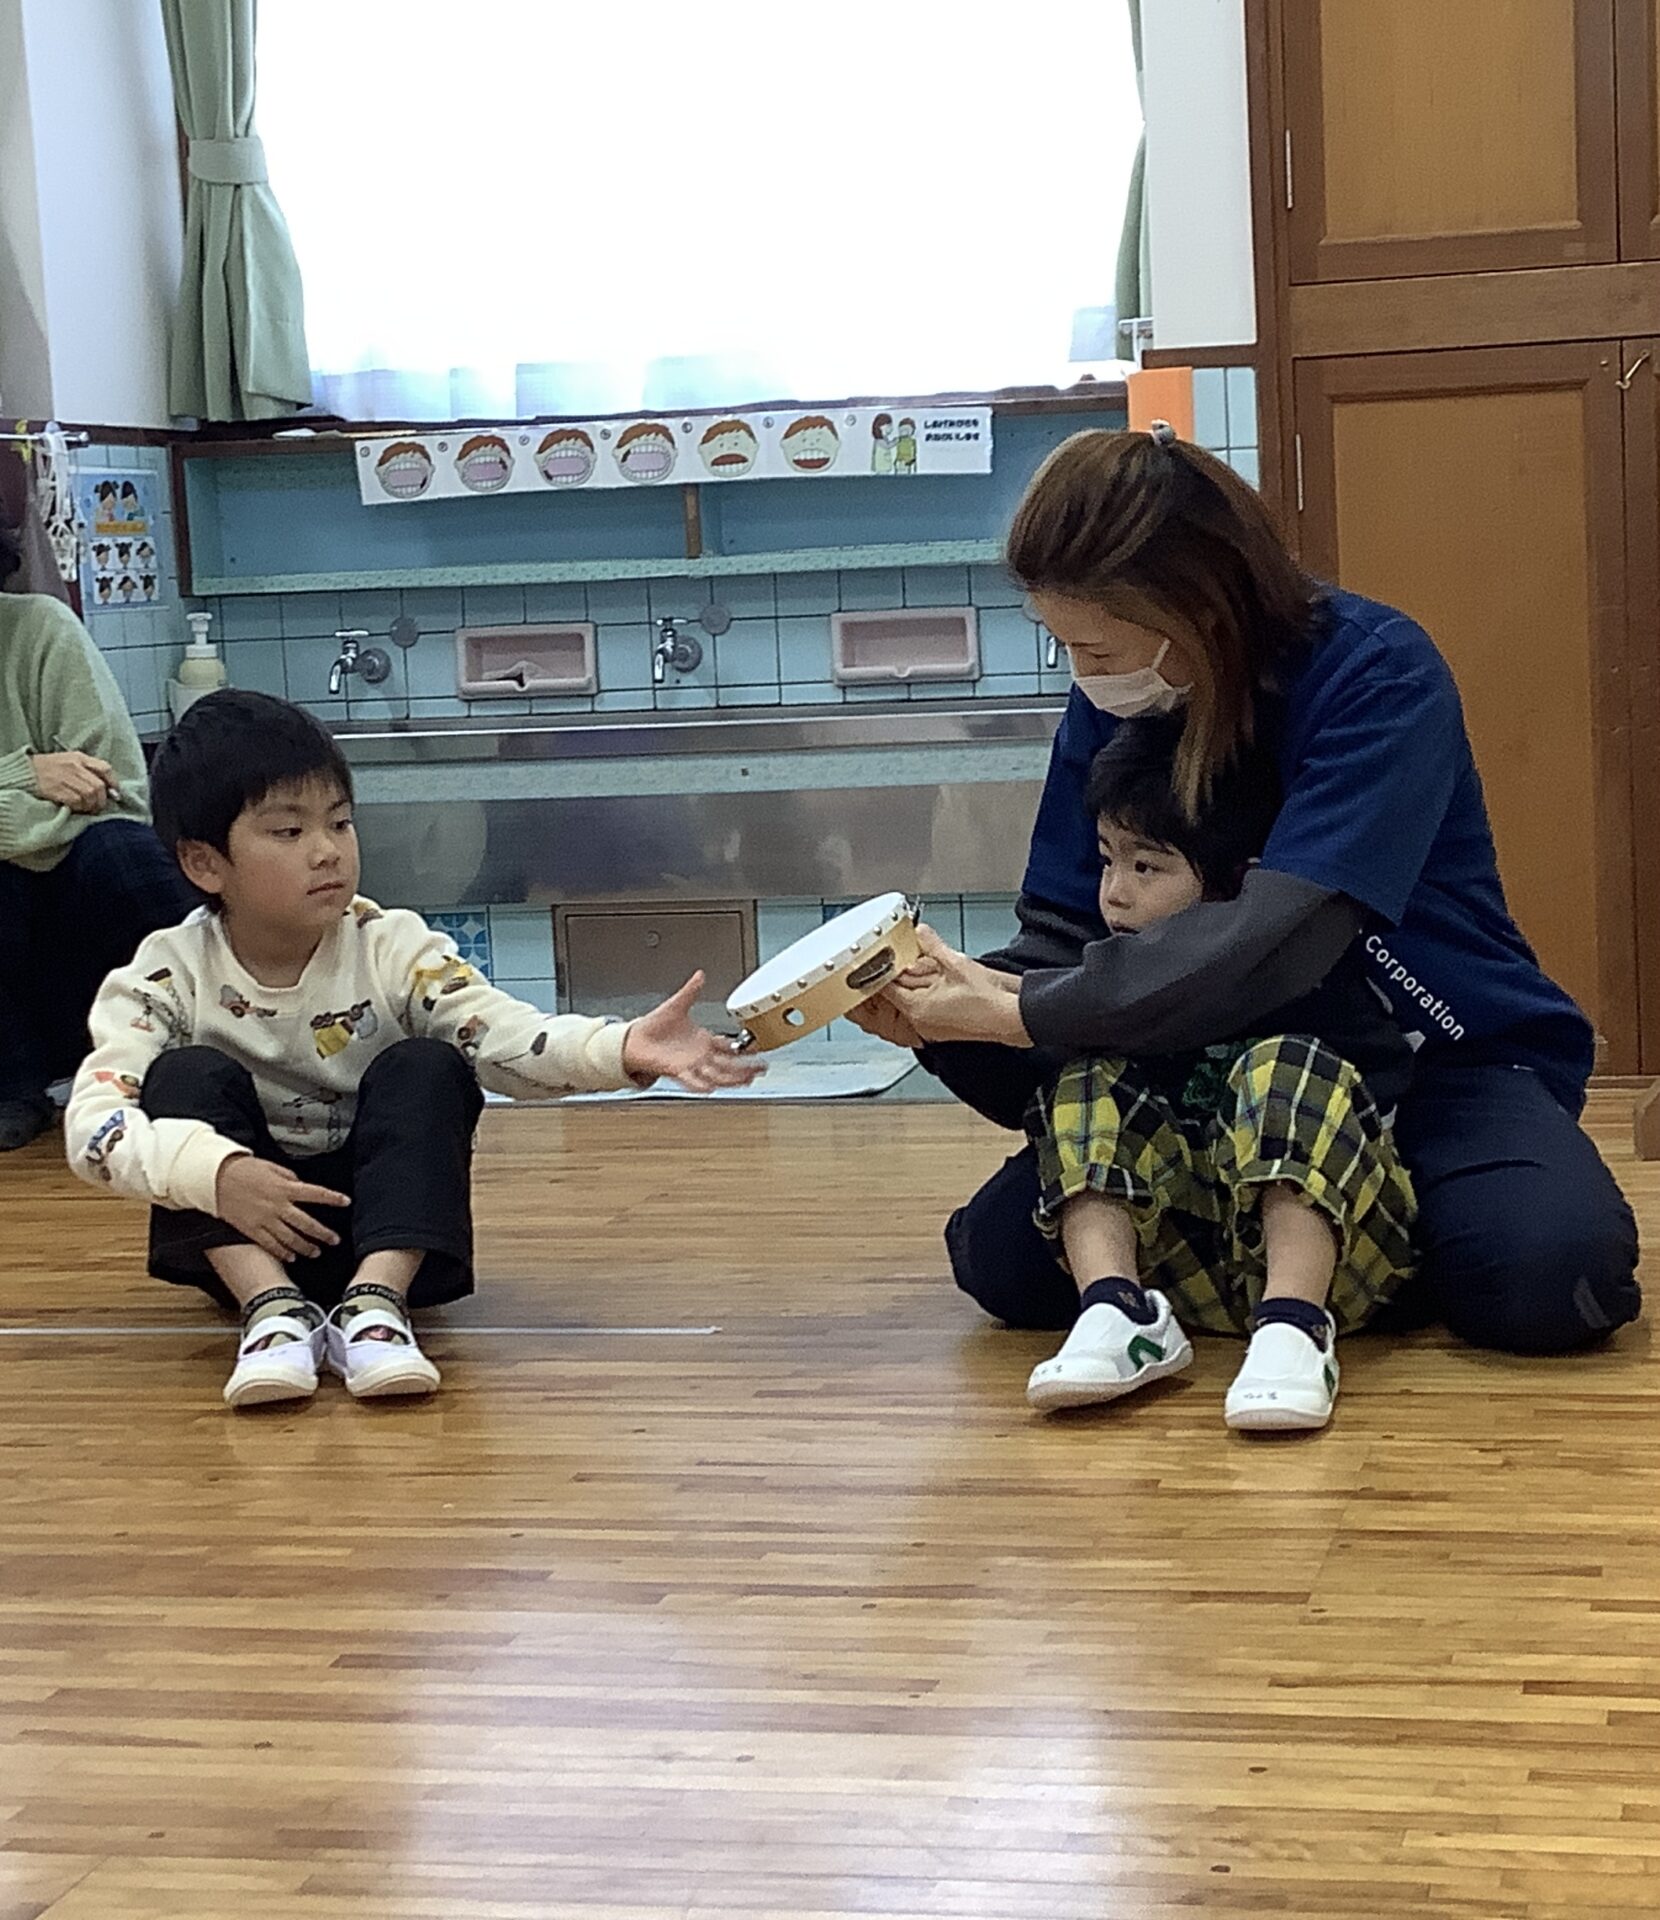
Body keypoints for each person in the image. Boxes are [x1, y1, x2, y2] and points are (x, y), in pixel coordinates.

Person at [856, 425, 1640, 1357]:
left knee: (1550, 1274)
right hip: (1198, 1075)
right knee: (1003, 1261)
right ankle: (1304, 1254)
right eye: (1063, 645)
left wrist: (1019, 1008)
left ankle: (1326, 1240)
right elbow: (1068, 938)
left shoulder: (1375, 671)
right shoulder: (1120, 700)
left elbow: (1280, 940)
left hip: (1432, 1057)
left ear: (1197, 608)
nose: (1083, 677)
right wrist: (941, 1013)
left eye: (1097, 649)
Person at [65, 690, 762, 1410]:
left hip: (387, 1226)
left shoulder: (393, 946)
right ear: (205, 864)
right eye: (288, 831)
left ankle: (375, 1310)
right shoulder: (165, 973)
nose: (327, 850)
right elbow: (92, 1125)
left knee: (430, 1066)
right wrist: (215, 1176)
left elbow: (501, 1036)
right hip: (243, 1231)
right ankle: (273, 1313)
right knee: (181, 1077)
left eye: (340, 822)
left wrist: (621, 1046)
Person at [953, 710, 1416, 1430]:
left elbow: (1370, 1119)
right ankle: (1119, 1310)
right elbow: (1043, 1082)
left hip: (1340, 1263)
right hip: (1188, 1257)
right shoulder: (1102, 979)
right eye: (1107, 861)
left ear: (1236, 887)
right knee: (1083, 1083)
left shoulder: (1307, 980)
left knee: (1287, 1068)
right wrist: (941, 1016)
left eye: (1146, 867)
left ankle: (1296, 1326)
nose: (1114, 892)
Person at [0, 525, 197, 1150]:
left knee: (120, 852)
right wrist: (26, 774)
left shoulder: (39, 628)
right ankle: (14, 1089)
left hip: (78, 926)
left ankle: (224, 1047)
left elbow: (117, 796)